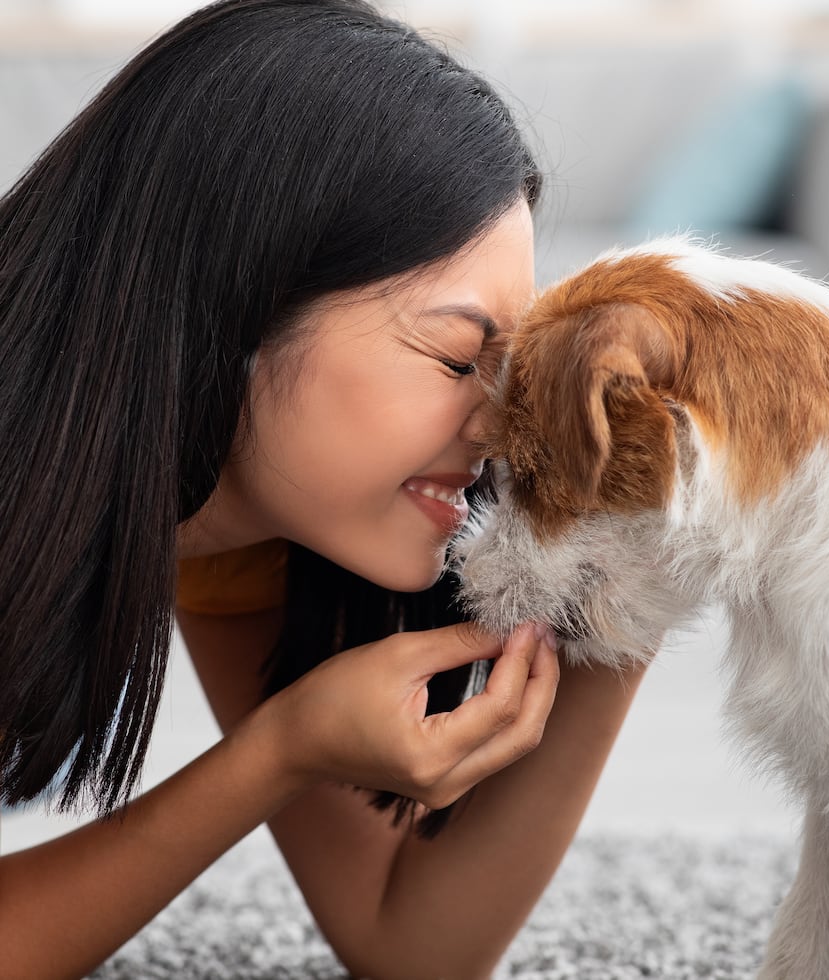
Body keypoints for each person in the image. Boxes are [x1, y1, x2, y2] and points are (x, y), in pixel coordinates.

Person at [0, 1, 649, 977]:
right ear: (238, 301)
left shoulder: (235, 534)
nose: (497, 427)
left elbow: (411, 942)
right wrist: (279, 751)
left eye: (508, 371)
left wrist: (631, 569)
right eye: (455, 357)